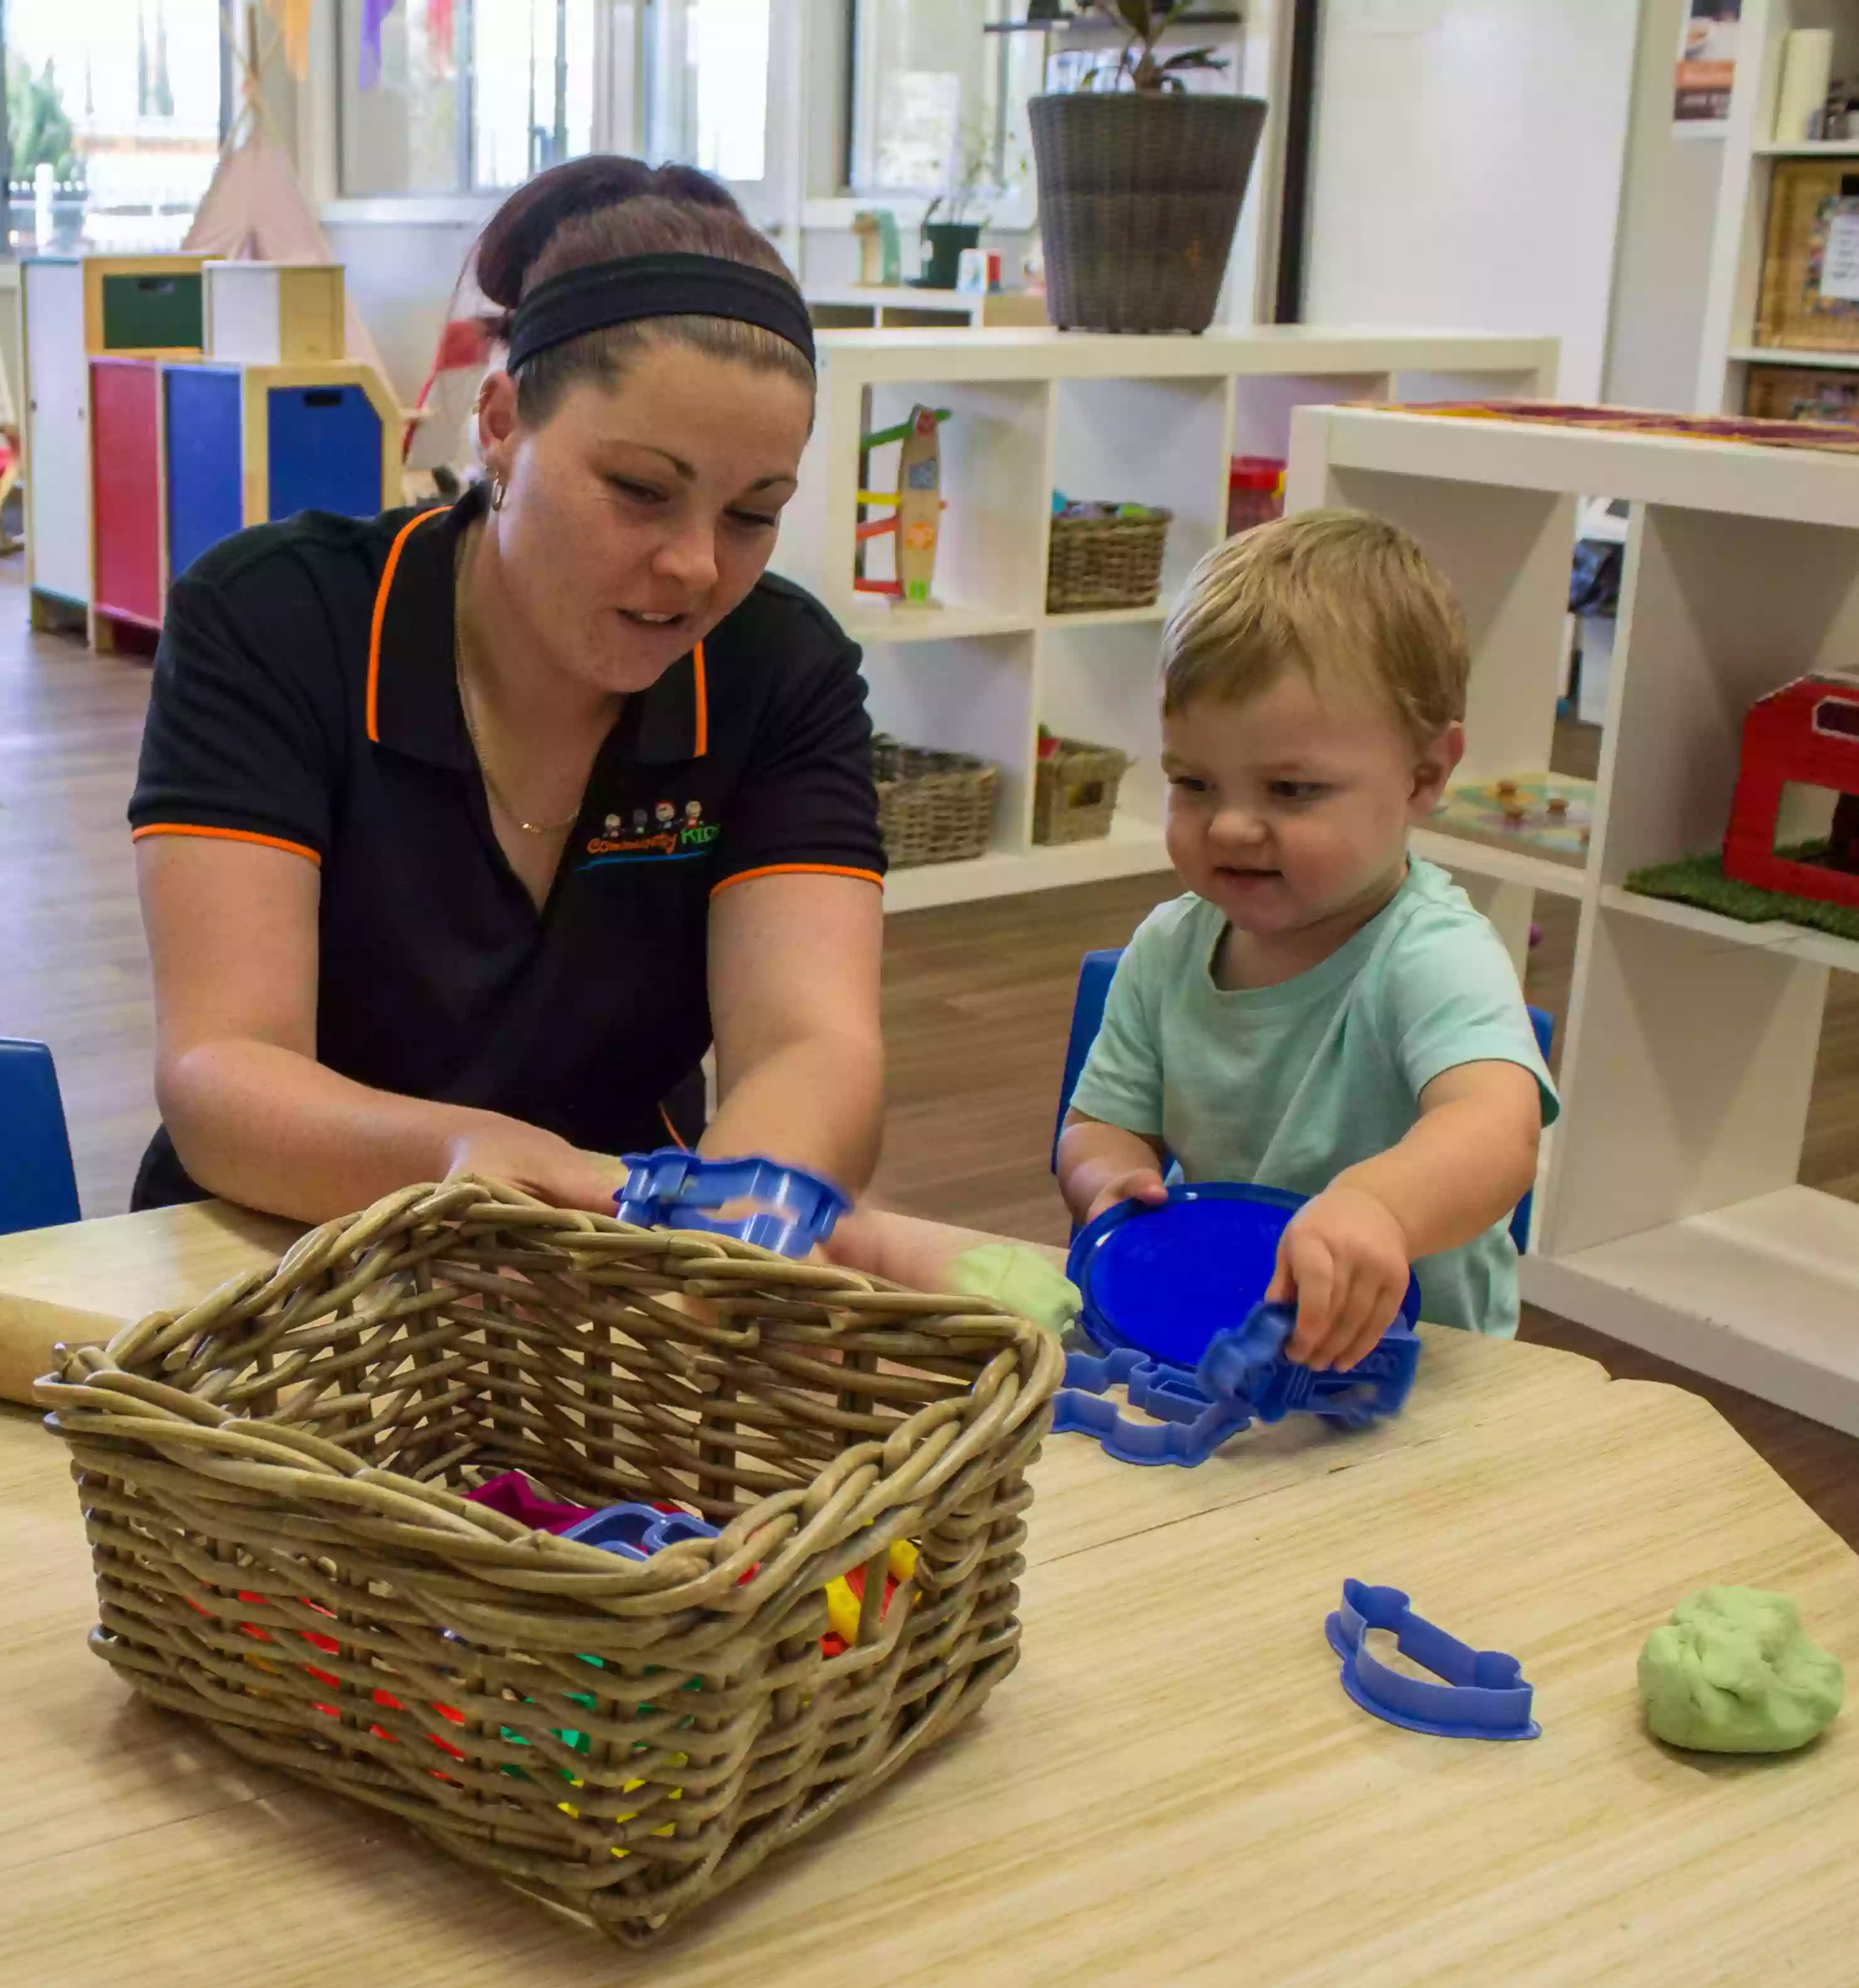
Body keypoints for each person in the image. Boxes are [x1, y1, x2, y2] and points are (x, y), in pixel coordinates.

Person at [125, 156, 1033, 1306]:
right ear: (499, 423)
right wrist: (456, 1161)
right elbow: (220, 1070)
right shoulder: (275, 619)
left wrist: (736, 1220)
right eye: (641, 491)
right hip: (281, 1266)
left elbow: (814, 1047)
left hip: (615, 1292)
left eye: (754, 514)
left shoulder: (776, 669)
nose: (697, 567)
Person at [1055, 510, 1557, 1361]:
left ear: (1424, 774)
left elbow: (1497, 1131)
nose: (1232, 829)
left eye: (1290, 789)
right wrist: (1108, 1180)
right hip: (1216, 1333)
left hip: (1415, 1368)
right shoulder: (1169, 947)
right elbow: (1099, 1124)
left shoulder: (1435, 955)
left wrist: (1381, 1207)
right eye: (1194, 783)